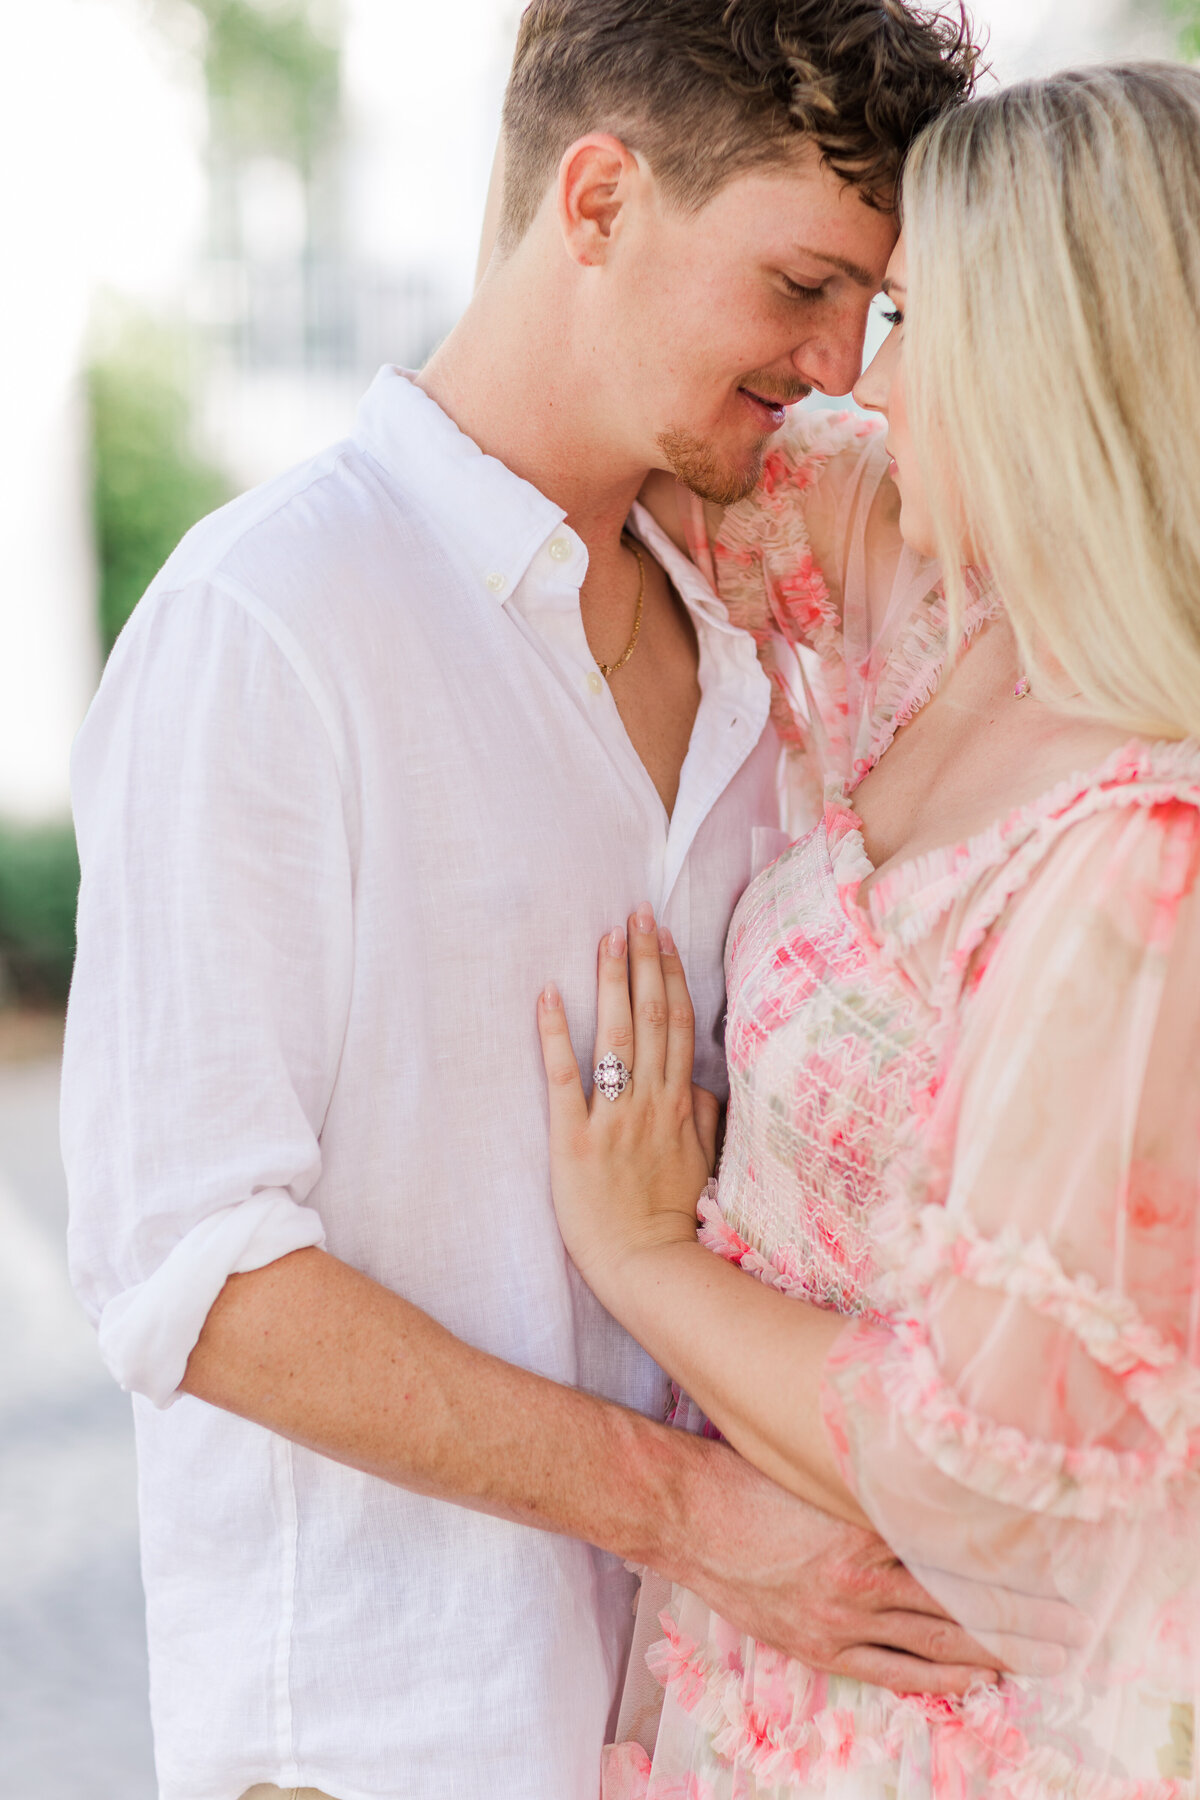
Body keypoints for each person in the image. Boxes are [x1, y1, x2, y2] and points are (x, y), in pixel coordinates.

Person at [60, 5, 1010, 1799]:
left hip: (707, 1734)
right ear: (595, 200)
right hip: (379, 1740)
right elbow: (192, 1275)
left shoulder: (753, 639)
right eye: (802, 283)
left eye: (871, 309)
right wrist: (699, 1518)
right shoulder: (272, 622)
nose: (837, 359)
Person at [536, 61, 1200, 1799]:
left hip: (960, 1733)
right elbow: (615, 420)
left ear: (1058, 375)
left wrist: (641, 1257)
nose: (864, 378)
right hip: (751, 1672)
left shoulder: (1153, 849)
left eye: (911, 320)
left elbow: (994, 1469)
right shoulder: (937, 602)